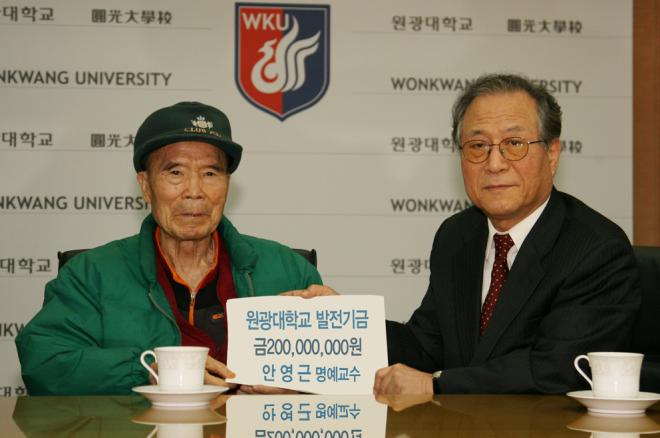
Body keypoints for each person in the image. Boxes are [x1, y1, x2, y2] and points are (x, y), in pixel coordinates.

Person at [15, 101, 322, 395]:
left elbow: (332, 375)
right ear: (145, 185)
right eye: (175, 172)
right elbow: (45, 363)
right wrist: (149, 371)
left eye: (210, 173)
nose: (194, 191)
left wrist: (335, 343)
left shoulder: (289, 270)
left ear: (227, 184)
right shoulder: (92, 274)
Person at [373, 73, 641, 394]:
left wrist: (438, 385)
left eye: (514, 144)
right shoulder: (457, 235)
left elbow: (557, 368)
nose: (494, 163)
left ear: (552, 154)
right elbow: (427, 345)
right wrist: (348, 325)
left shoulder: (595, 249)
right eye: (478, 146)